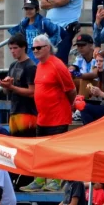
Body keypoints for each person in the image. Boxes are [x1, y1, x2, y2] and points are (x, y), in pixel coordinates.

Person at [20, 34, 76, 192]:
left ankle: (56, 180)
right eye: (33, 48)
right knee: (40, 149)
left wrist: (70, 106)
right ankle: (39, 179)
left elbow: (71, 89)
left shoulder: (57, 65)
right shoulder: (39, 66)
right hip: (43, 117)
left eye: (38, 48)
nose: (35, 50)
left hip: (58, 116)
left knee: (55, 150)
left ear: (48, 48)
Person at [41, 0, 83, 64]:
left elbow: (62, 1)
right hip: (51, 30)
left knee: (59, 61)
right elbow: (42, 4)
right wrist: (56, 0)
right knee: (47, 61)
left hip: (64, 29)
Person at [0, 34, 37, 137]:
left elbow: (32, 92)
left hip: (27, 113)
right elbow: (6, 92)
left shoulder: (30, 66)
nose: (12, 51)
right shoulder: (13, 65)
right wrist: (5, 86)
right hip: (14, 112)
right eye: (10, 48)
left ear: (23, 47)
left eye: (15, 48)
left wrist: (12, 87)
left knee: (25, 144)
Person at [8, 0, 63, 64]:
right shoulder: (23, 23)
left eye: (31, 8)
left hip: (40, 57)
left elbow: (56, 32)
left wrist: (47, 46)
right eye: (26, 9)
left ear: (37, 9)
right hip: (28, 57)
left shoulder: (44, 22)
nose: (28, 11)